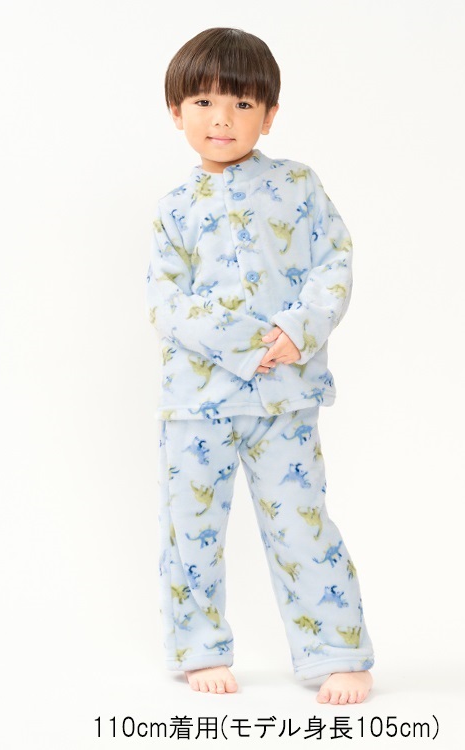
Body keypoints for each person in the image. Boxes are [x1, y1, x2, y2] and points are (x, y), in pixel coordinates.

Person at [145, 27, 375, 705]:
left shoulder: (298, 186)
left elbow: (334, 263)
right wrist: (250, 342)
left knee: (301, 524)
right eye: (205, 102)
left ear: (269, 115)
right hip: (197, 404)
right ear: (177, 112)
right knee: (191, 532)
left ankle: (337, 651)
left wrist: (297, 331)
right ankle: (198, 648)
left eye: (242, 104)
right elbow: (168, 305)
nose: (222, 119)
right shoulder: (174, 210)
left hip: (284, 397)